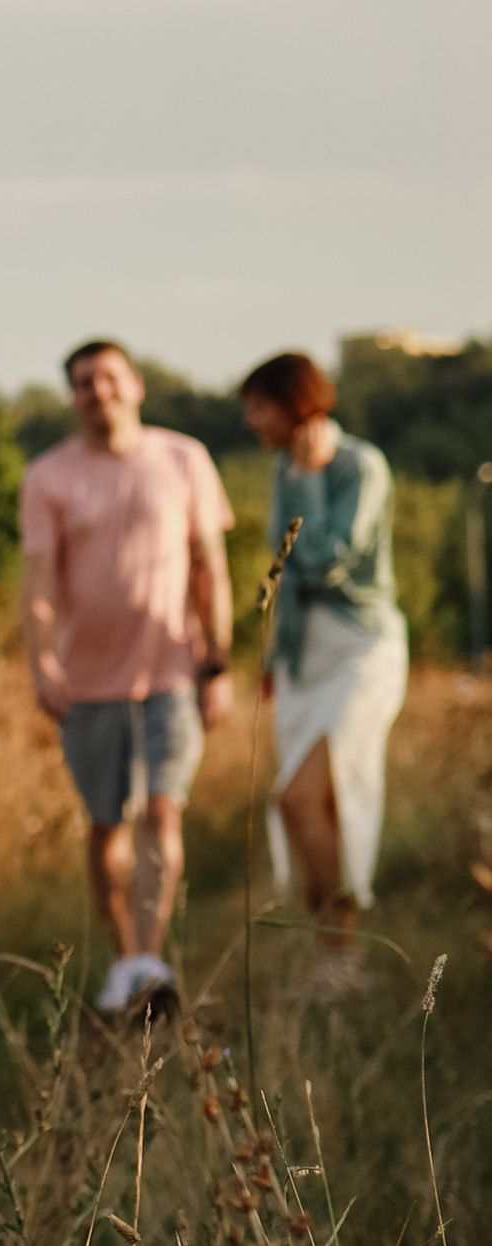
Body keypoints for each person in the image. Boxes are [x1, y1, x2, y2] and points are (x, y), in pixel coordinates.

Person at [19, 337, 234, 1015]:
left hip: (172, 669)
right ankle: (123, 961)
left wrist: (218, 663)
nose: (99, 392)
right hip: (87, 680)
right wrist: (43, 662)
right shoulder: (49, 477)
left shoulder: (183, 459)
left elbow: (211, 567)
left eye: (109, 378)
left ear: (137, 385)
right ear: (73, 397)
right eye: (84, 383)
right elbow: (39, 585)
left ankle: (150, 957)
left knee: (163, 809)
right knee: (107, 822)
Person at [239, 347, 406, 976]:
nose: (252, 421)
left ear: (292, 406)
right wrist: (272, 656)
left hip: (361, 650)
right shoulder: (284, 467)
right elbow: (284, 575)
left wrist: (310, 477)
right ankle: (335, 957)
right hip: (304, 654)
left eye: (258, 407)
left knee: (302, 799)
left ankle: (341, 955)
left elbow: (323, 558)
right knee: (316, 806)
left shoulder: (360, 465)